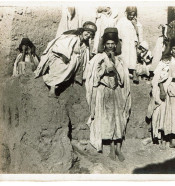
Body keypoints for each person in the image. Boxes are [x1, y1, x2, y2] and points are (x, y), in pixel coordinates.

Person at [85, 28, 131, 161]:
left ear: (116, 45)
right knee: (108, 118)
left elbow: (123, 79)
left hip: (116, 92)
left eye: (113, 43)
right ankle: (111, 146)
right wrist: (105, 70)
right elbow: (93, 77)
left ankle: (118, 147)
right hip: (104, 92)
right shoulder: (98, 58)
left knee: (118, 118)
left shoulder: (120, 59)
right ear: (104, 44)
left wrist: (115, 65)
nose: (110, 46)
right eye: (108, 43)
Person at [147, 34, 175, 150]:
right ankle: (167, 138)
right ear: (171, 50)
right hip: (169, 90)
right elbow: (159, 78)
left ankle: (174, 139)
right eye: (174, 49)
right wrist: (161, 90)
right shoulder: (165, 62)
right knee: (168, 114)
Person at [34, 21, 97, 97]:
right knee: (62, 65)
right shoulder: (72, 37)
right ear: (82, 31)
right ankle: (52, 87)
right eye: (87, 32)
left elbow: (84, 57)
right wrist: (67, 58)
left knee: (74, 62)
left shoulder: (85, 45)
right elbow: (59, 48)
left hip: (71, 60)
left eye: (91, 34)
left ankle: (72, 81)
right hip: (59, 56)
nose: (88, 35)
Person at [116, 6, 143, 83]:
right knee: (124, 55)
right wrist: (119, 40)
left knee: (133, 56)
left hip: (132, 41)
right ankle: (125, 71)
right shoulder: (122, 21)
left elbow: (139, 33)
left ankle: (134, 72)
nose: (131, 16)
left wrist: (135, 25)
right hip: (124, 41)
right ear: (126, 13)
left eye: (133, 15)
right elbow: (118, 31)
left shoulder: (136, 22)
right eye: (130, 15)